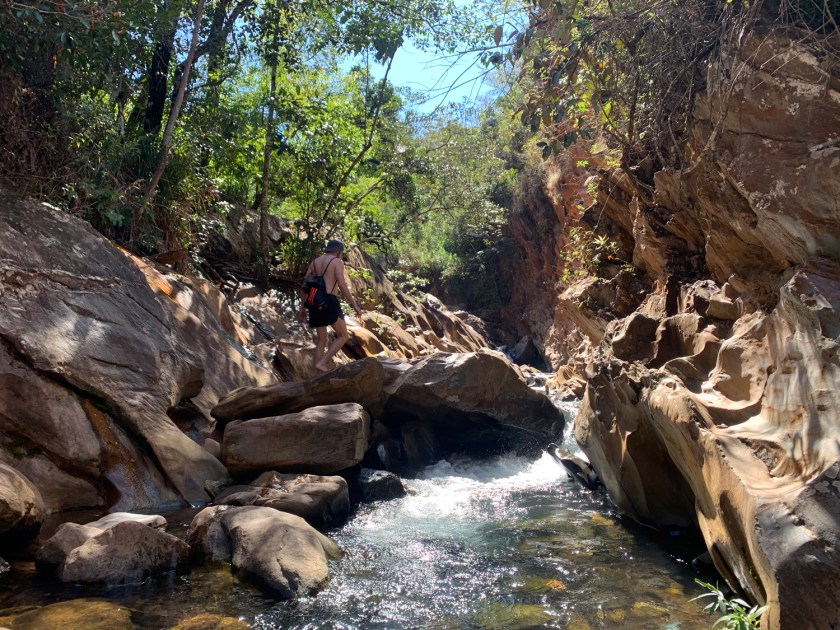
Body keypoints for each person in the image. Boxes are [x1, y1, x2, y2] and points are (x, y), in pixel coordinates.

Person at [298, 239, 363, 373]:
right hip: (329, 301)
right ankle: (322, 363)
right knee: (343, 336)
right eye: (341, 253)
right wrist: (355, 305)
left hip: (314, 301)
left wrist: (302, 308)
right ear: (338, 252)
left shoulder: (315, 262)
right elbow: (342, 285)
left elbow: (305, 286)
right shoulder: (337, 262)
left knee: (321, 340)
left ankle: (317, 376)